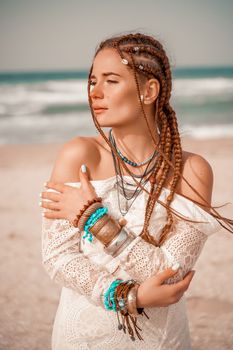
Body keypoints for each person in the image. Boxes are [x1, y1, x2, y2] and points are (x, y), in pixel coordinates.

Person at [40, 32, 232, 349]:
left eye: (111, 81)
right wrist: (129, 296)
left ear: (149, 90)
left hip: (161, 341)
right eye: (92, 81)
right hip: (81, 338)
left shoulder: (192, 171)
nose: (95, 93)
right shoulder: (79, 156)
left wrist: (93, 217)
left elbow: (169, 277)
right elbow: (57, 258)